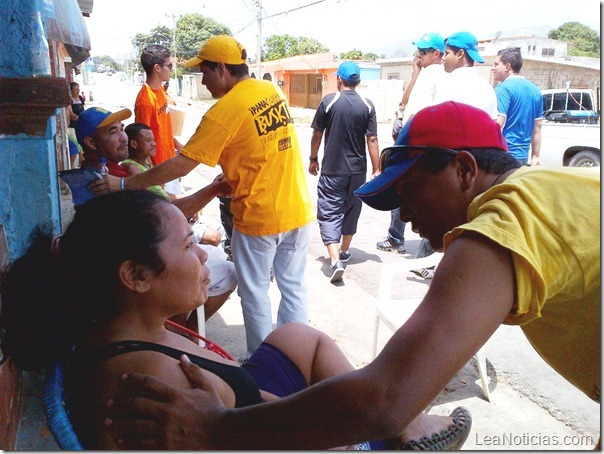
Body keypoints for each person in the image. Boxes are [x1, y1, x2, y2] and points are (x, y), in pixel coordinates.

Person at [104, 101, 599, 450]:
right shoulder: (558, 187)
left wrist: (217, 430)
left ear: (465, 170)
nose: (402, 217)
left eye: (409, 193)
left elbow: (385, 400)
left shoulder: (510, 218)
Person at [0, 190, 469, 450]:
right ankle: (387, 436)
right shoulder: (156, 388)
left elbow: (243, 397)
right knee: (349, 393)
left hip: (239, 407)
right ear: (137, 276)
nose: (203, 252)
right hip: (247, 432)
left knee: (297, 335)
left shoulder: (123, 325)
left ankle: (399, 430)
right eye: (187, 245)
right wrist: (338, 434)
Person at [90, 35, 315, 358]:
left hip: (261, 215)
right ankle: (298, 357)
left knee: (255, 294)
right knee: (293, 287)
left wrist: (125, 185)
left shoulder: (226, 110)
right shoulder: (270, 91)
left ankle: (264, 365)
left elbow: (182, 165)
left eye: (205, 72)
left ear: (222, 68)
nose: (203, 80)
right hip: (297, 209)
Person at [309, 61, 379, 282]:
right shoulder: (367, 105)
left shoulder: (329, 102)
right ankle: (344, 251)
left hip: (332, 170)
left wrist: (313, 159)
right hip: (358, 171)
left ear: (339, 79)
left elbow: (317, 134)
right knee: (351, 209)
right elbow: (373, 139)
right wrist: (377, 169)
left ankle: (335, 259)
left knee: (330, 211)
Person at [377, 32, 446, 255]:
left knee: (424, 196)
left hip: (422, 145)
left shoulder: (440, 74)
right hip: (410, 142)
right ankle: (396, 237)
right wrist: (415, 73)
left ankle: (425, 250)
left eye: (424, 52)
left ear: (437, 54)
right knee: (402, 189)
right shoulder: (425, 74)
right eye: (419, 51)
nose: (420, 55)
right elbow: (404, 102)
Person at [135, 44, 184, 195]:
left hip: (169, 163)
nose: (171, 68)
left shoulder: (161, 91)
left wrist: (176, 145)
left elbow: (162, 128)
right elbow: (142, 144)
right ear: (157, 68)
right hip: (159, 171)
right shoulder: (145, 101)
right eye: (169, 65)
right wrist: (152, 176)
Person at [492, 47, 544, 166]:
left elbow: (499, 122)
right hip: (523, 157)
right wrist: (535, 156)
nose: (492, 68)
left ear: (507, 66)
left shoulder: (502, 89)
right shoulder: (535, 90)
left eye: (496, 64)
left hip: (503, 155)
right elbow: (537, 127)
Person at [434, 31, 498, 119]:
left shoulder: (450, 85)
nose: (443, 58)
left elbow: (435, 121)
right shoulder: (487, 88)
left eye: (447, 53)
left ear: (460, 54)